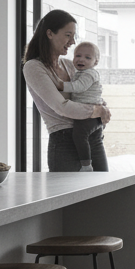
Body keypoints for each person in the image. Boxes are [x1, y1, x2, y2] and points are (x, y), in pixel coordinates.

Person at [21, 9, 111, 172]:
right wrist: (97, 110)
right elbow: (62, 107)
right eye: (68, 35)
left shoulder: (70, 65)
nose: (73, 42)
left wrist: (102, 107)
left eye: (74, 36)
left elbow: (89, 92)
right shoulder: (34, 67)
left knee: (105, 188)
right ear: (50, 33)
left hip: (93, 136)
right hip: (64, 142)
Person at [58, 40, 104, 172]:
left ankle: (86, 165)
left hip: (90, 114)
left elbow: (79, 87)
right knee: (91, 139)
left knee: (79, 136)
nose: (81, 59)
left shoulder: (89, 73)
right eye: (78, 55)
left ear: (95, 62)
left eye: (87, 57)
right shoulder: (81, 73)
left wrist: (61, 85)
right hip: (91, 113)